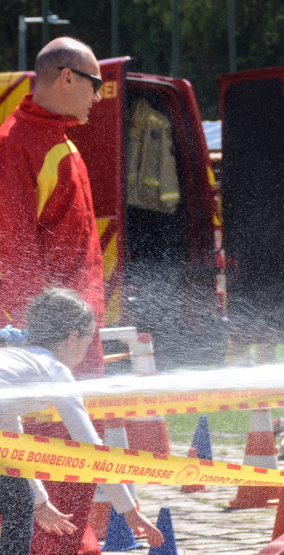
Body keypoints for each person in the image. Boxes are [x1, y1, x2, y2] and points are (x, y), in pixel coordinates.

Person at [0, 37, 113, 555]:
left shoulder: (60, 142)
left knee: (80, 468)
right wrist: (41, 349)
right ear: (67, 78)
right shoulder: (16, 144)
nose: (99, 94)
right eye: (95, 84)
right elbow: (13, 255)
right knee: (55, 468)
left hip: (71, 341)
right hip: (48, 348)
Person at [0, 289, 164, 554]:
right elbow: (91, 448)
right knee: (18, 498)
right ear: (72, 338)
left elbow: (10, 442)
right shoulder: (54, 368)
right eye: (88, 344)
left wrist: (40, 502)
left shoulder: (18, 359)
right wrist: (129, 511)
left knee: (18, 496)